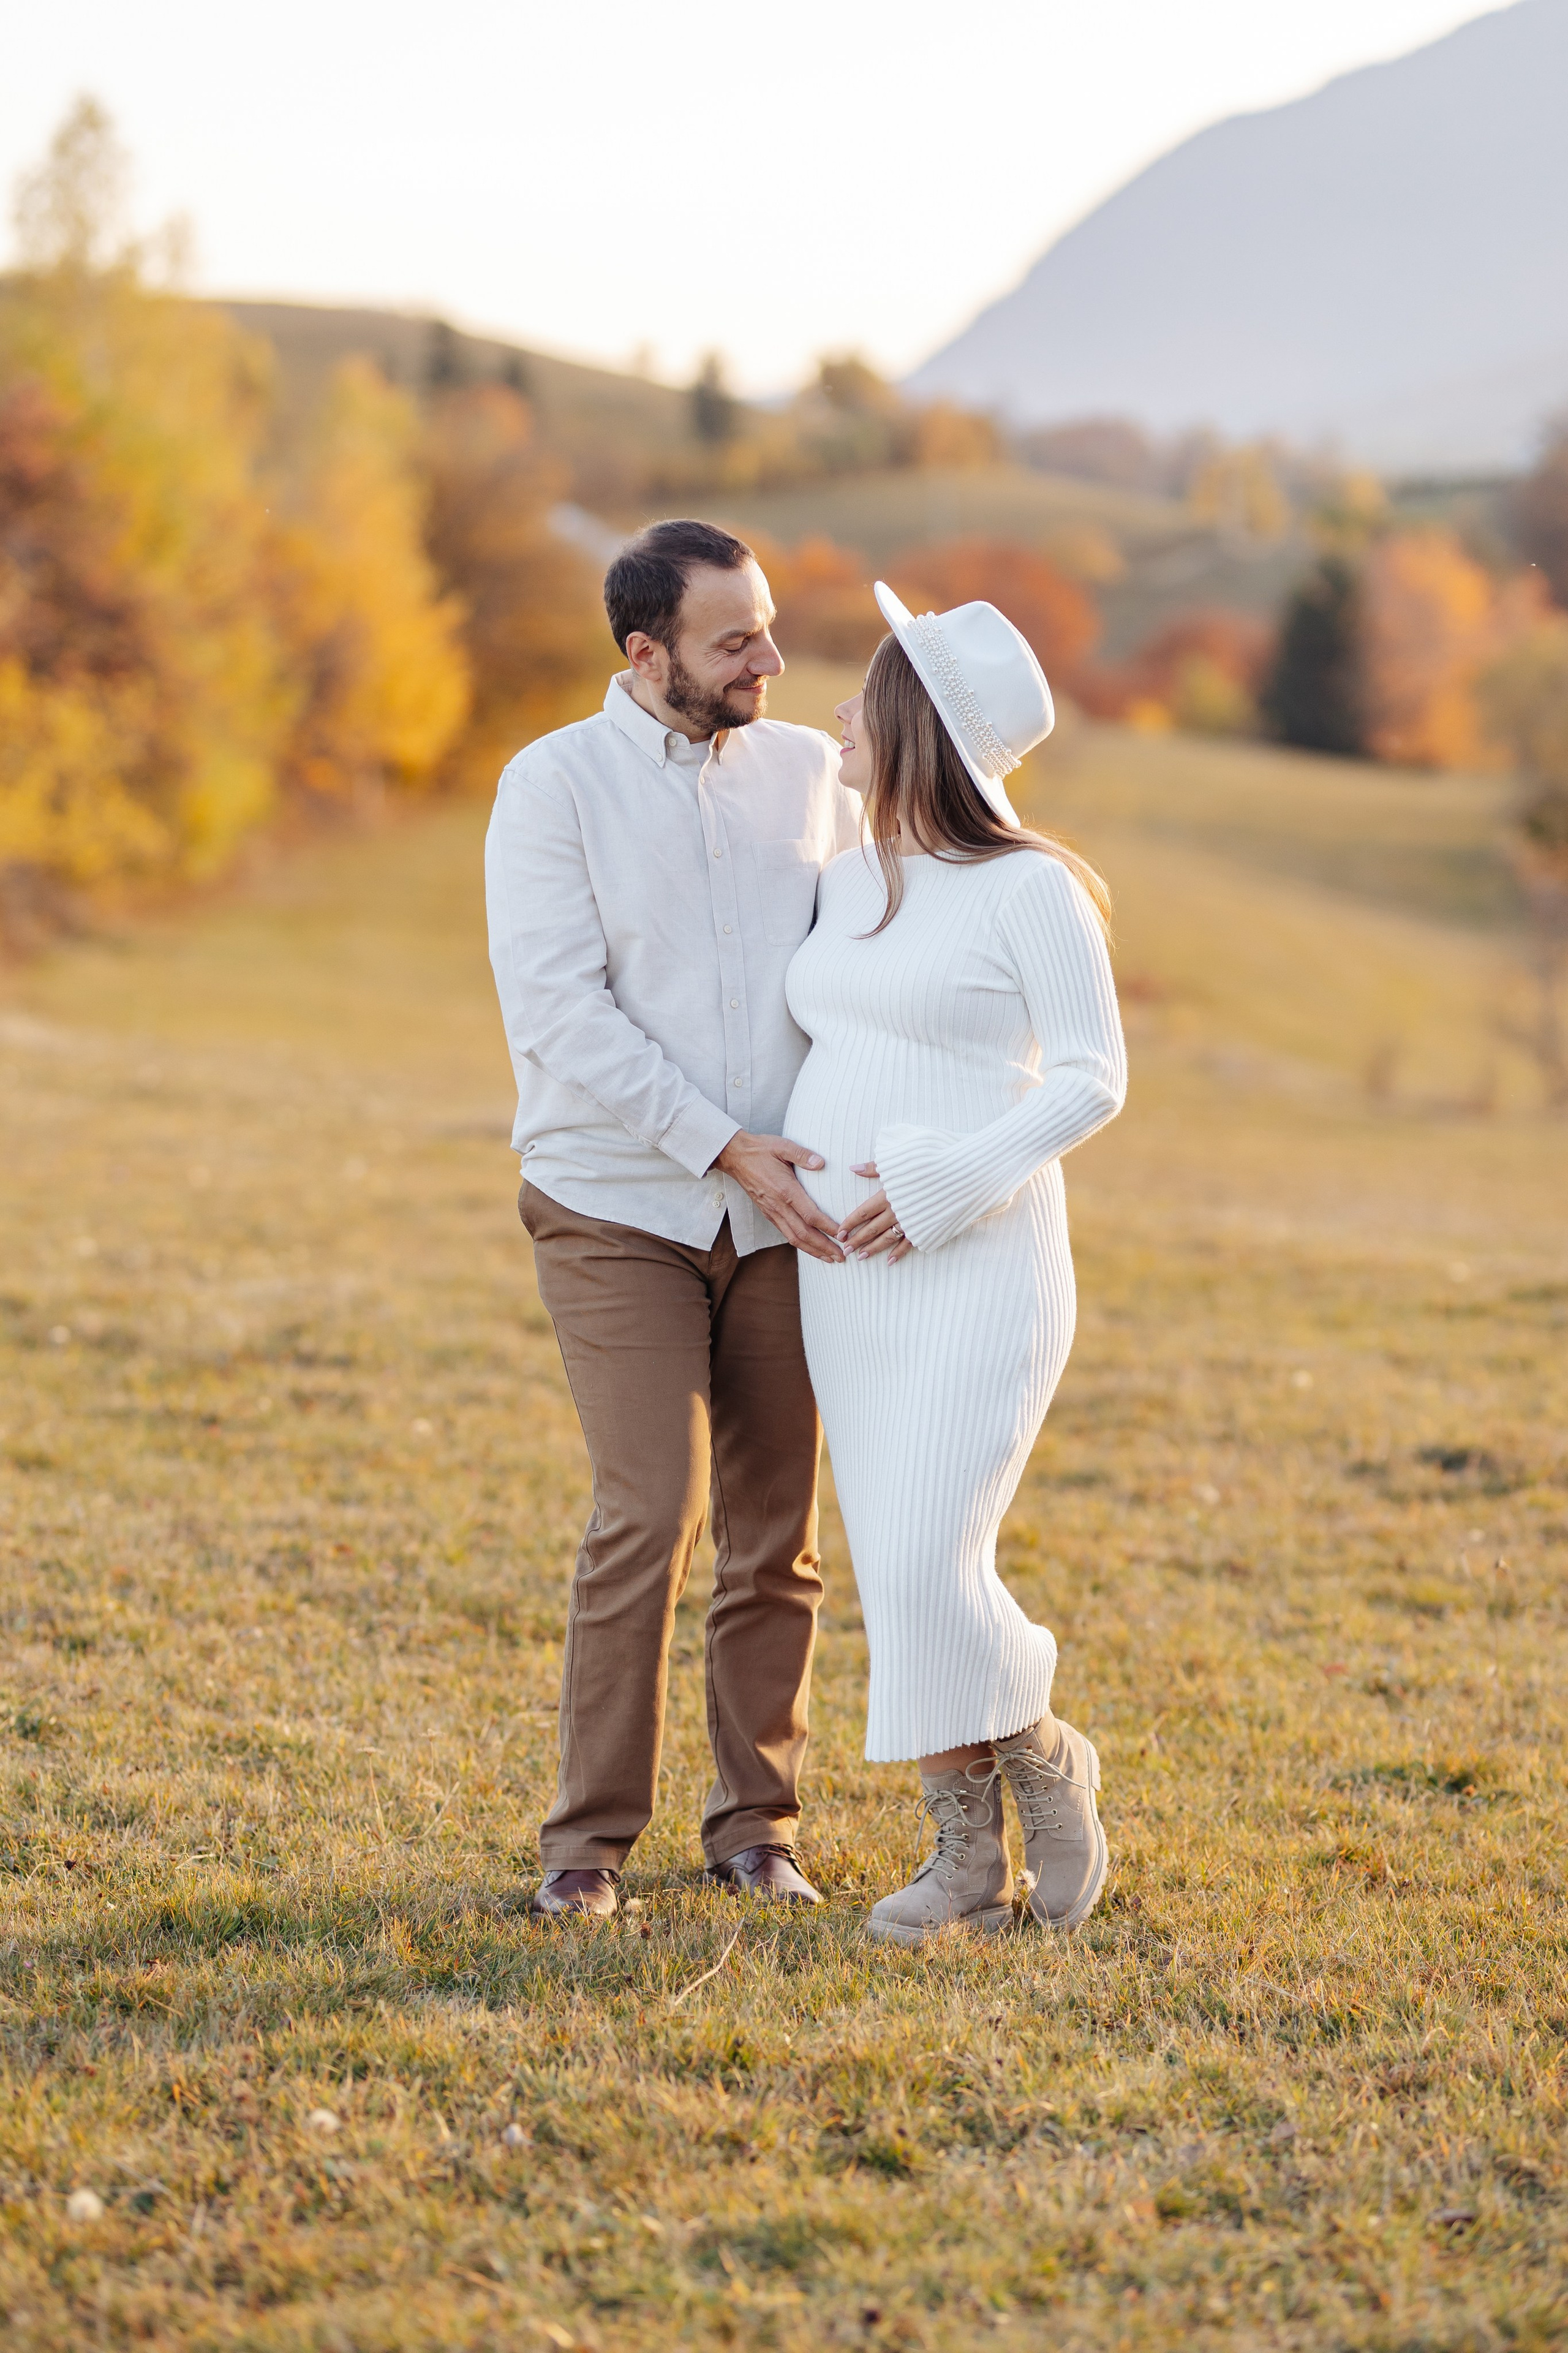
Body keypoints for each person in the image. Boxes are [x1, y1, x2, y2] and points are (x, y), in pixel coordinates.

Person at [485, 519, 861, 1918]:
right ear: (646, 657)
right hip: (616, 1201)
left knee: (778, 1529)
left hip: (786, 1214)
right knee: (654, 1508)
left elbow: (877, 942)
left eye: (766, 624)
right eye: (733, 640)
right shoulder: (551, 787)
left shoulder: (812, 774)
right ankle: (584, 1846)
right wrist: (720, 1145)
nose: (768, 657)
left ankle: (755, 1828)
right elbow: (559, 1009)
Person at [783, 585, 1127, 1944]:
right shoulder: (849, 875)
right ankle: (967, 1860)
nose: (834, 719)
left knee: (936, 1553)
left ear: (916, 721)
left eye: (861, 699)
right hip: (843, 1279)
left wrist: (931, 1184)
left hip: (978, 1266)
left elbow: (1095, 1078)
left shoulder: (1033, 887)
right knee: (892, 1556)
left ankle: (1040, 1747)